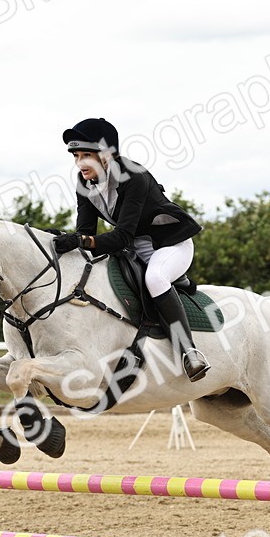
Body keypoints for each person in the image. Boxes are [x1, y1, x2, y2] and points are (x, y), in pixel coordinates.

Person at [51, 117, 210, 382]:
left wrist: (83, 242)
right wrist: (67, 240)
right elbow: (85, 232)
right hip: (134, 248)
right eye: (76, 156)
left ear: (106, 155)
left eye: (86, 155)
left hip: (170, 244)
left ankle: (190, 352)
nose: (80, 164)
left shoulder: (134, 176)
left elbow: (121, 236)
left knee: (155, 277)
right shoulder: (84, 183)